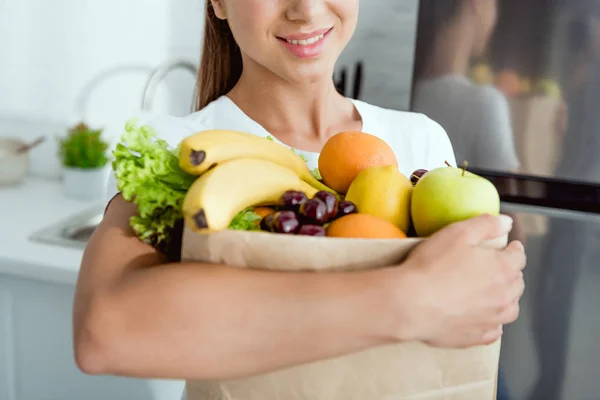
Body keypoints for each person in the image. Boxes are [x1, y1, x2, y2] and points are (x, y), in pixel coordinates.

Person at [72, 0, 526, 397]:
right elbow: (105, 331)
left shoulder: (421, 140)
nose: (306, 9)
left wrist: (492, 289)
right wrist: (411, 299)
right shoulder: (179, 151)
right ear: (219, 2)